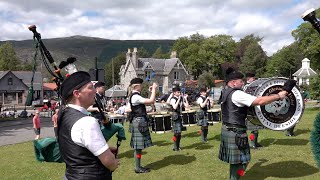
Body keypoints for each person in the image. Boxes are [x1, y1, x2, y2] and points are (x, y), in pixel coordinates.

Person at [218, 68, 292, 180]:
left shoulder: (225, 91)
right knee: (243, 160)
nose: (243, 83)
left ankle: (234, 178)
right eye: (240, 81)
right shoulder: (237, 94)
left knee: (236, 162)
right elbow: (260, 101)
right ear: (233, 82)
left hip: (228, 129)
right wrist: (278, 96)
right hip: (236, 132)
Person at [58, 71, 119, 179]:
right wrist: (114, 163)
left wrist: (104, 148)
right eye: (90, 87)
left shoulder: (63, 115)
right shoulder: (87, 122)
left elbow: (74, 146)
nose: (95, 91)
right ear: (77, 94)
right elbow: (109, 162)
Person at [128, 77, 157, 173]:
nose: (142, 87)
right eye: (140, 85)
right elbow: (151, 101)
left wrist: (150, 92)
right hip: (139, 121)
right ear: (137, 86)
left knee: (138, 148)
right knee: (138, 148)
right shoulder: (135, 96)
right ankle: (137, 167)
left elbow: (148, 101)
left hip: (139, 121)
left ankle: (138, 166)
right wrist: (154, 89)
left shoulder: (136, 96)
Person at [243, 72, 262, 149]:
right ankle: (252, 144)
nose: (254, 79)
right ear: (248, 79)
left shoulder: (254, 86)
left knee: (256, 127)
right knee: (253, 128)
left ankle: (255, 142)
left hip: (254, 108)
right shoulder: (246, 87)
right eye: (253, 78)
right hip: (249, 109)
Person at [169, 86, 189, 151]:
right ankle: (175, 147)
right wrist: (179, 99)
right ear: (174, 93)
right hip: (175, 116)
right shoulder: (173, 99)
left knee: (179, 132)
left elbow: (186, 106)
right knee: (176, 133)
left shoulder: (180, 98)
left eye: (180, 92)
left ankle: (178, 146)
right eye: (178, 92)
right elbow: (174, 107)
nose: (179, 93)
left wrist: (185, 99)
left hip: (180, 116)